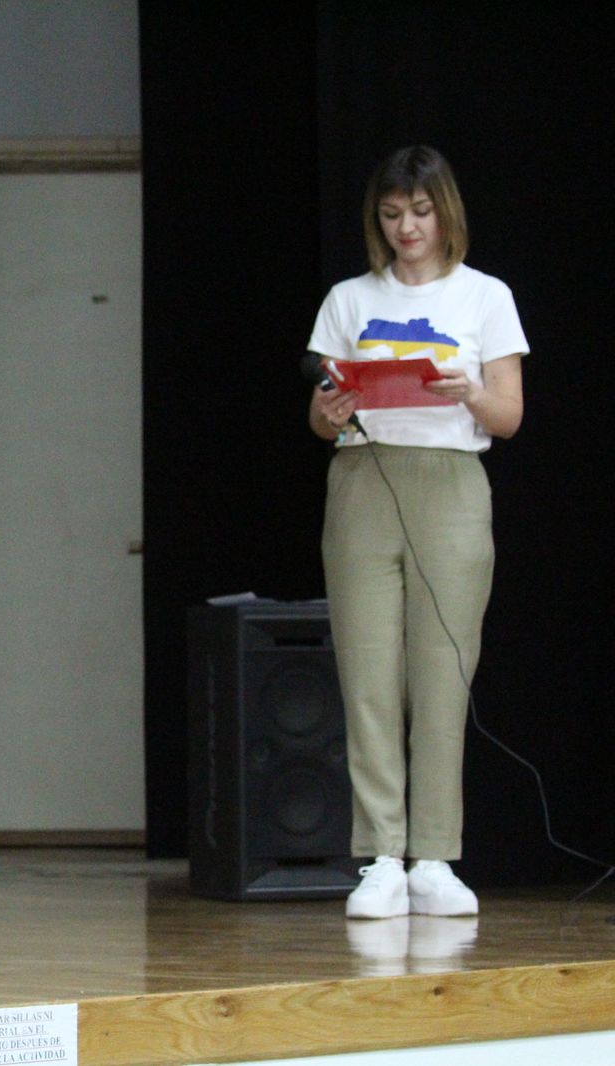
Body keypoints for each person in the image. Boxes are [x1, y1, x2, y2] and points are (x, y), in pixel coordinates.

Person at [307, 145, 525, 920]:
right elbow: (320, 410)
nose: (407, 227)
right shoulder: (348, 299)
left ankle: (434, 854)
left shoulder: (486, 296)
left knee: (442, 668)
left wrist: (467, 390)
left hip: (452, 480)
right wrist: (329, 411)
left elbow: (509, 415)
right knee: (368, 671)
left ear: (446, 214)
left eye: (421, 212)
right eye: (393, 213)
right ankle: (381, 857)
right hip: (365, 475)